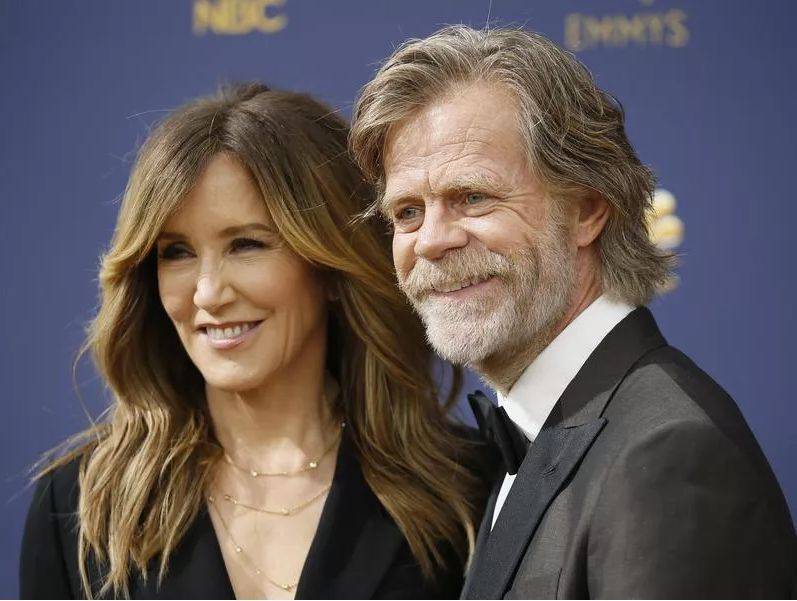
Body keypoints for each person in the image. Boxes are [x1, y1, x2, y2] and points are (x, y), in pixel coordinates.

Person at [350, 25, 797, 599]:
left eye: (474, 197)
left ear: (586, 210)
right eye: (407, 212)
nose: (432, 240)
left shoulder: (667, 455)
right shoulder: (543, 432)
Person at [20, 83, 489, 599]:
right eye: (176, 252)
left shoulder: (465, 491)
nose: (208, 293)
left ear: (331, 266)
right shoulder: (79, 509)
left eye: (246, 245)